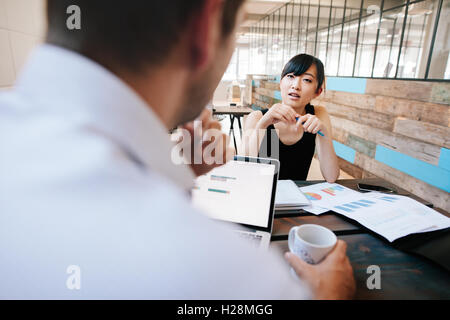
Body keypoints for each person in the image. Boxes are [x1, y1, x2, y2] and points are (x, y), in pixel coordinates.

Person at [0, 0, 355, 299]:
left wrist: (174, 172)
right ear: (206, 26)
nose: (295, 85)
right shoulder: (236, 276)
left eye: (306, 79)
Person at [242, 54, 340, 182]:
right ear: (280, 83)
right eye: (290, 76)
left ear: (318, 92)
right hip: (261, 196)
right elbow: (243, 169)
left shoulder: (318, 114)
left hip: (296, 199)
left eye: (307, 80)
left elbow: (331, 176)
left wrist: (323, 133)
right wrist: (263, 125)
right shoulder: (256, 117)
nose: (296, 85)